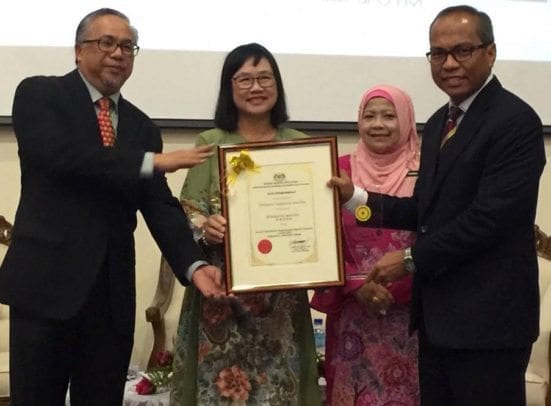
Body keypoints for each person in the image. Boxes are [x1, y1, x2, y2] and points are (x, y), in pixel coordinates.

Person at [0, 8, 228, 405]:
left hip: (109, 297)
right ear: (78, 50)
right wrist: (147, 161)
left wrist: (195, 265)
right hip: (45, 290)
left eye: (127, 46)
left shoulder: (142, 126)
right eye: (106, 43)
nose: (118, 53)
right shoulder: (39, 94)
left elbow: (158, 205)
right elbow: (61, 157)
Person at [330, 5, 546, 406]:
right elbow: (423, 211)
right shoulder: (439, 124)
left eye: (462, 50)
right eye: (438, 53)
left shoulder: (515, 121)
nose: (448, 63)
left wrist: (410, 259)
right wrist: (355, 198)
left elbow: (489, 220)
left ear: (491, 52)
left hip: (488, 324)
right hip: (438, 322)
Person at [170, 43, 321, 405]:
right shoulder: (212, 143)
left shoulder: (300, 146)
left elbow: (314, 220)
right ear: (230, 87)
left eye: (265, 78)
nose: (256, 88)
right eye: (245, 79)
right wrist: (205, 226)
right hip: (221, 293)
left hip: (280, 299)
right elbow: (187, 211)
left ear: (277, 85)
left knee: (280, 390)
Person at [311, 85, 420, 405]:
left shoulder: (427, 170)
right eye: (369, 116)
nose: (378, 124)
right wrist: (357, 285)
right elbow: (319, 237)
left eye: (389, 116)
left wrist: (393, 289)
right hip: (351, 316)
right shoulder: (337, 170)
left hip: (410, 319)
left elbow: (435, 238)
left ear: (407, 120)